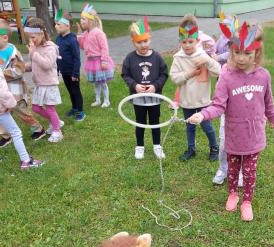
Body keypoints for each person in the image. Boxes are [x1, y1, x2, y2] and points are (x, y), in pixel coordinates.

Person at [188, 22, 274, 221]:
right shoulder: (226, 76)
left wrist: (273, 117)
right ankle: (233, 194)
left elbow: (268, 101)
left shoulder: (263, 76)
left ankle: (247, 201)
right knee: (232, 169)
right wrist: (203, 115)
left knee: (249, 172)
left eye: (247, 53)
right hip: (233, 135)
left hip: (254, 135)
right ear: (231, 50)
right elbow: (218, 105)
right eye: (237, 52)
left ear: (257, 52)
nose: (241, 58)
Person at [0, 21, 44, 170]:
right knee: (16, 132)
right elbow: (2, 92)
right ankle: (26, 161)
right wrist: (11, 105)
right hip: (0, 109)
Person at [169, 14, 221, 162]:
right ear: (180, 42)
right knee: (190, 127)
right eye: (184, 42)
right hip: (187, 101)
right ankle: (191, 149)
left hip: (202, 101)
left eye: (190, 41)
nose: (187, 45)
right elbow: (174, 77)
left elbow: (219, 71)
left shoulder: (203, 56)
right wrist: (189, 74)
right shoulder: (178, 58)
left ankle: (214, 147)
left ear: (197, 41)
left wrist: (208, 61)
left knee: (206, 126)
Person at [0, 18, 46, 146]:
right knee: (2, 112)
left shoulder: (13, 52)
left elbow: (19, 70)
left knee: (23, 113)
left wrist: (1, 74)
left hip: (16, 92)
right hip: (2, 90)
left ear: (4, 37)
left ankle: (38, 129)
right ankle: (5, 136)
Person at [121, 17, 168, 160]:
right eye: (139, 42)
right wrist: (134, 85)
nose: (143, 45)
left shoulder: (157, 57)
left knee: (155, 123)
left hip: (154, 98)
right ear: (133, 42)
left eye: (145, 41)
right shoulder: (130, 58)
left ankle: (157, 146)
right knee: (140, 123)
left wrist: (155, 86)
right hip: (138, 99)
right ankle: (139, 146)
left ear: (150, 39)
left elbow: (164, 74)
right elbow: (125, 74)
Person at [212, 13, 242, 186]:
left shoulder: (253, 73)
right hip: (227, 112)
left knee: (241, 144)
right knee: (224, 143)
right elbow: (218, 100)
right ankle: (223, 169)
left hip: (244, 116)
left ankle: (239, 171)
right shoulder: (224, 73)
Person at [25, 17, 64, 143]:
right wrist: (22, 67)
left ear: (41, 33)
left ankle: (57, 131)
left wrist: (33, 54)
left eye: (33, 37)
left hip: (49, 84)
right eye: (29, 38)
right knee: (36, 107)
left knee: (50, 108)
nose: (31, 40)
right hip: (39, 84)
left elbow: (47, 64)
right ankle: (56, 121)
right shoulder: (36, 48)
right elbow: (34, 64)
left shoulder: (50, 47)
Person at [76, 3, 114, 108]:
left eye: (83, 19)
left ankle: (106, 100)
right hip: (91, 62)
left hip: (99, 61)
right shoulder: (86, 33)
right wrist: (79, 36)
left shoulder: (98, 33)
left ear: (91, 20)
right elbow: (83, 46)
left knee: (102, 82)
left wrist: (104, 61)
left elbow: (104, 47)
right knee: (96, 83)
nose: (81, 21)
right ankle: (97, 99)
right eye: (81, 19)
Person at [55, 9, 85, 122]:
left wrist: (75, 73)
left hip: (72, 72)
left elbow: (77, 58)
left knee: (76, 91)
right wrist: (57, 69)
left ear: (67, 26)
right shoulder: (58, 39)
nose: (56, 26)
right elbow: (57, 55)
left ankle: (80, 111)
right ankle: (74, 107)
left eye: (59, 24)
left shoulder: (72, 40)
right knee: (70, 91)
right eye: (55, 24)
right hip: (64, 71)